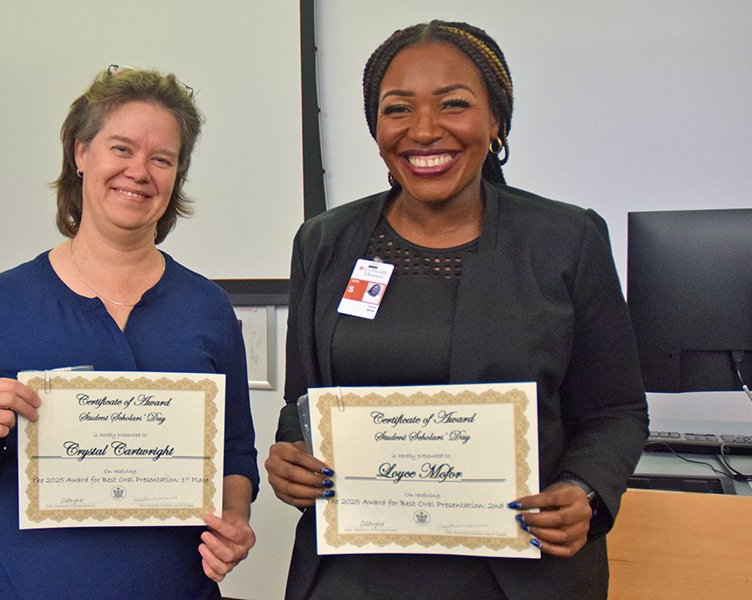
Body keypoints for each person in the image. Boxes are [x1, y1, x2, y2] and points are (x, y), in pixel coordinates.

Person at [265, 20, 648, 600]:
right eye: (398, 109)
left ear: (495, 120)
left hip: (523, 575)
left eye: (454, 104)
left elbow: (615, 409)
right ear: (376, 127)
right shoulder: (325, 242)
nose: (424, 130)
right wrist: (291, 455)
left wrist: (586, 492)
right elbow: (303, 400)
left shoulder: (565, 240)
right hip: (353, 575)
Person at [0, 66, 259, 600]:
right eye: (121, 148)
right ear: (81, 155)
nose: (139, 171)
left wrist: (235, 521)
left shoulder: (207, 307)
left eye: (162, 158)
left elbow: (236, 455)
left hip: (176, 588)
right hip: (28, 586)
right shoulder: (4, 301)